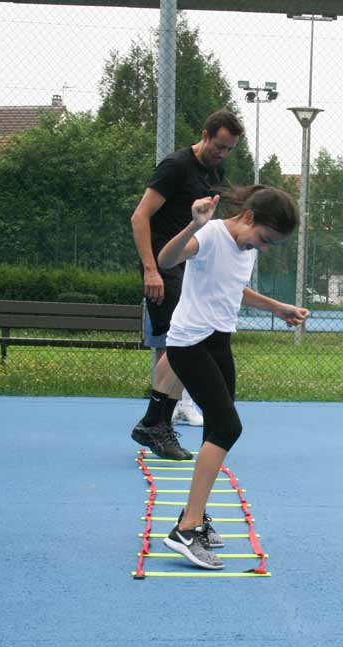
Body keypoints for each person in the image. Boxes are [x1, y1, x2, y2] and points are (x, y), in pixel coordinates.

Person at [156, 185, 308, 569]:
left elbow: (233, 288)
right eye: (265, 239)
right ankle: (185, 530)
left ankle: (194, 516)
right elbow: (166, 259)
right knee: (228, 427)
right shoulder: (210, 235)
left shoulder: (246, 247)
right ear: (249, 218)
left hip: (219, 341)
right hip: (189, 343)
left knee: (215, 429)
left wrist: (277, 307)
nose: (264, 247)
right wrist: (193, 225)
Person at [130, 109, 244, 459]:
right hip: (164, 267)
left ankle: (156, 422)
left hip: (190, 268)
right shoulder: (176, 166)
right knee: (184, 343)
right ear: (205, 134)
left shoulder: (214, 172)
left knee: (190, 342)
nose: (222, 154)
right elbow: (139, 216)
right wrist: (151, 269)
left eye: (229, 149)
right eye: (219, 146)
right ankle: (155, 422)